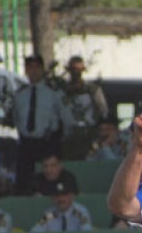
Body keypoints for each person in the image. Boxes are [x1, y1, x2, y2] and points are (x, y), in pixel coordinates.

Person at [12, 54, 68, 195]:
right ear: (26, 70)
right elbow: (16, 118)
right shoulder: (20, 95)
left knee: (47, 181)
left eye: (37, 67)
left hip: (46, 143)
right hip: (26, 144)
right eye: (30, 67)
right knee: (23, 183)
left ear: (42, 69)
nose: (34, 71)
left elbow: (66, 119)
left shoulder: (54, 93)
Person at [60, 55, 108, 160]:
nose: (76, 73)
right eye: (73, 69)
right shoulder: (61, 90)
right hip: (67, 136)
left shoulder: (93, 89)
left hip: (89, 133)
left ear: (83, 70)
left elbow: (103, 111)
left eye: (79, 69)